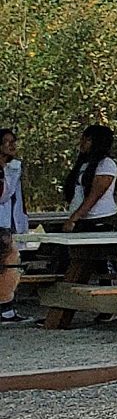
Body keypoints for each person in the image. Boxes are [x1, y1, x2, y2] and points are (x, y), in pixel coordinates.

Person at [65, 122, 117, 228]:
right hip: (82, 219)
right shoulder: (84, 164)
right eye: (83, 138)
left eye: (88, 140)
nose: (83, 142)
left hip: (100, 220)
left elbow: (94, 196)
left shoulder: (106, 164)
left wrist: (74, 218)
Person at [0, 125, 24, 324]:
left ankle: (6, 306)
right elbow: (3, 195)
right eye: (7, 142)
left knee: (10, 260)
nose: (12, 146)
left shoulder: (13, 166)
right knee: (9, 260)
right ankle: (5, 306)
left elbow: (17, 200)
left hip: (7, 222)